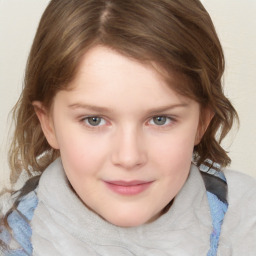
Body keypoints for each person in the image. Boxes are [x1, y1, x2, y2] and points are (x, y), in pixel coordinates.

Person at [0, 0, 255, 255]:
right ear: (48, 123)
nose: (129, 157)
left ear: (201, 122)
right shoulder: (10, 239)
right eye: (94, 120)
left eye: (160, 119)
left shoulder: (245, 221)